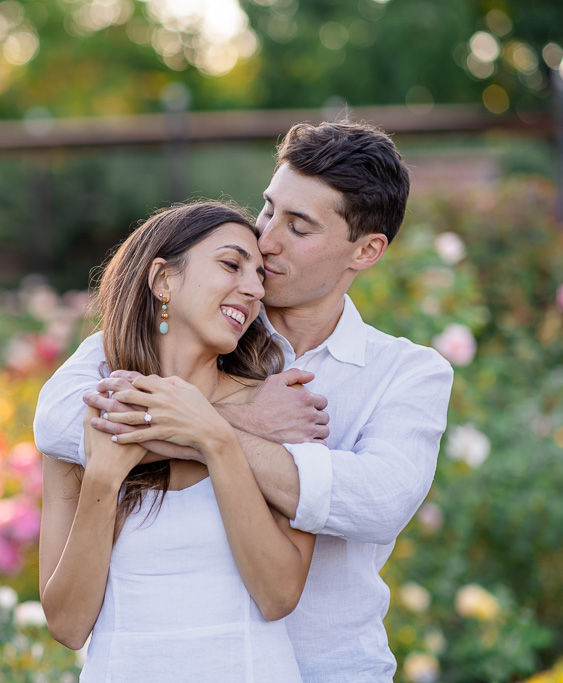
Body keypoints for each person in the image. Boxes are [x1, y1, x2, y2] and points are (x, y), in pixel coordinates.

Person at [34, 120, 454, 681]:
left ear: (366, 250)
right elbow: (57, 419)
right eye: (268, 209)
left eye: (298, 227)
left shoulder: (405, 372)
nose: (268, 238)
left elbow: (378, 502)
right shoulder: (165, 339)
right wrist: (236, 423)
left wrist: (211, 434)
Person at [39, 201, 315, 681]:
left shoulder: (279, 411)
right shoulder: (94, 415)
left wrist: (216, 437)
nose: (253, 289)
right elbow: (67, 625)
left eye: (258, 277)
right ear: (163, 279)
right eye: (231, 265)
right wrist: (104, 476)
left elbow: (278, 596)